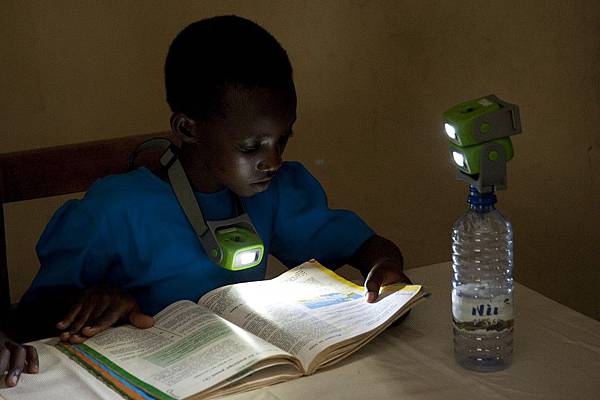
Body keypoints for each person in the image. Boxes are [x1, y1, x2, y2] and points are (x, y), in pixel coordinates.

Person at [2, 15, 411, 386]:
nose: (273, 160)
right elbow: (32, 318)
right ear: (187, 128)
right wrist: (96, 301)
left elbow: (361, 245)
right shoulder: (115, 210)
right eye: (251, 147)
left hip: (247, 374)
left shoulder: (278, 190)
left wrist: (385, 267)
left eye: (282, 139)